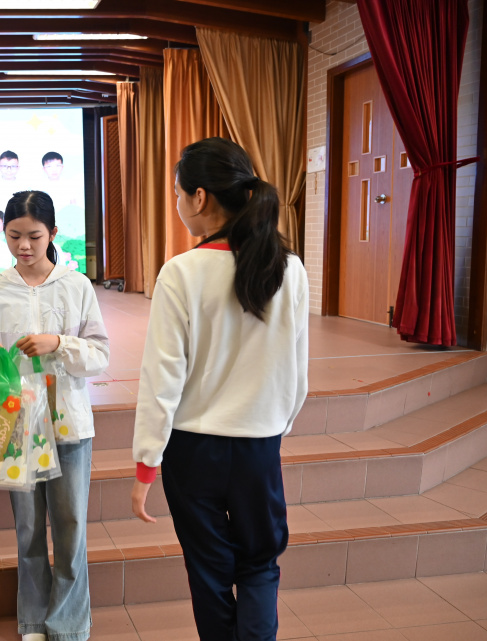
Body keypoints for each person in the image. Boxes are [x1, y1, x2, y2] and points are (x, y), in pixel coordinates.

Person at [131, 137, 309, 641]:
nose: (178, 202)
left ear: (200, 197)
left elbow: (162, 377)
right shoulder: (290, 268)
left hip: (193, 450)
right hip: (258, 445)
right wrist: (274, 425)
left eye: (177, 193)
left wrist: (146, 463)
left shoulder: (181, 272)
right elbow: (297, 372)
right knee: (260, 562)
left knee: (208, 570)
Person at [0, 191, 109, 641]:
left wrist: (59, 343)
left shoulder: (76, 285)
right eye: (14, 236)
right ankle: (31, 620)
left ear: (53, 234)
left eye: (34, 236)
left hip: (69, 424)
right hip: (17, 424)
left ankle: (68, 624)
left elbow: (100, 354)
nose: (23, 246)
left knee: (70, 526)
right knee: (27, 527)